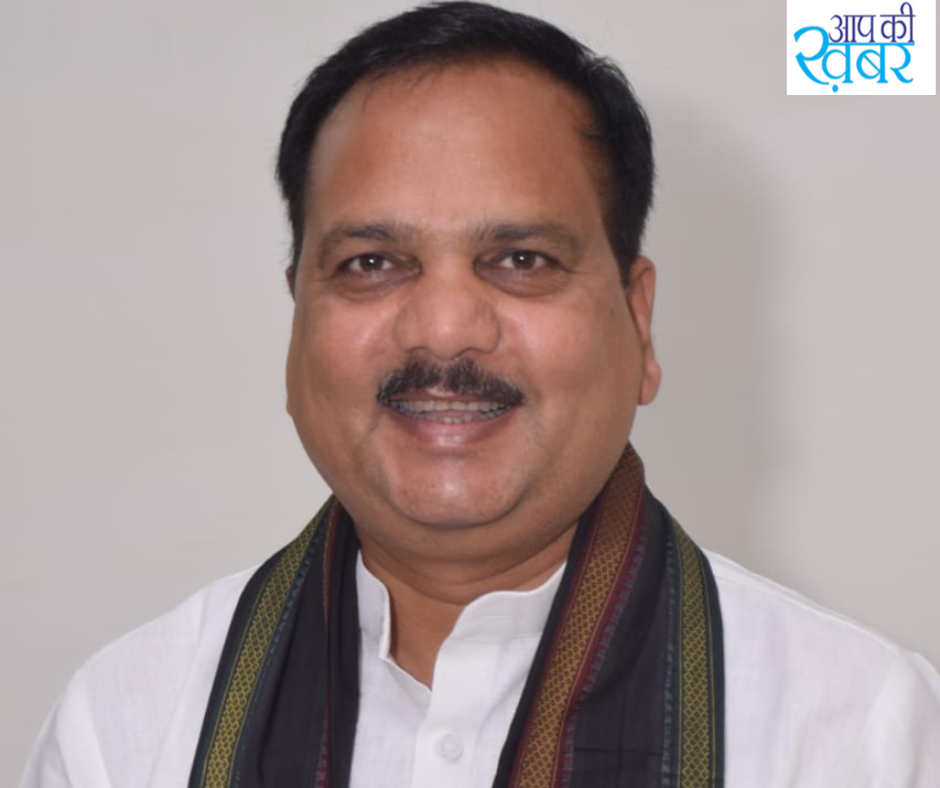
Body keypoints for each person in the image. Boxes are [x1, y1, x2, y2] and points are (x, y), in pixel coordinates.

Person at [20, 3, 940, 787]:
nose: (445, 329)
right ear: (298, 318)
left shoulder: (860, 734)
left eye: (521, 260)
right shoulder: (130, 731)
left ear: (638, 320)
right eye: (372, 262)